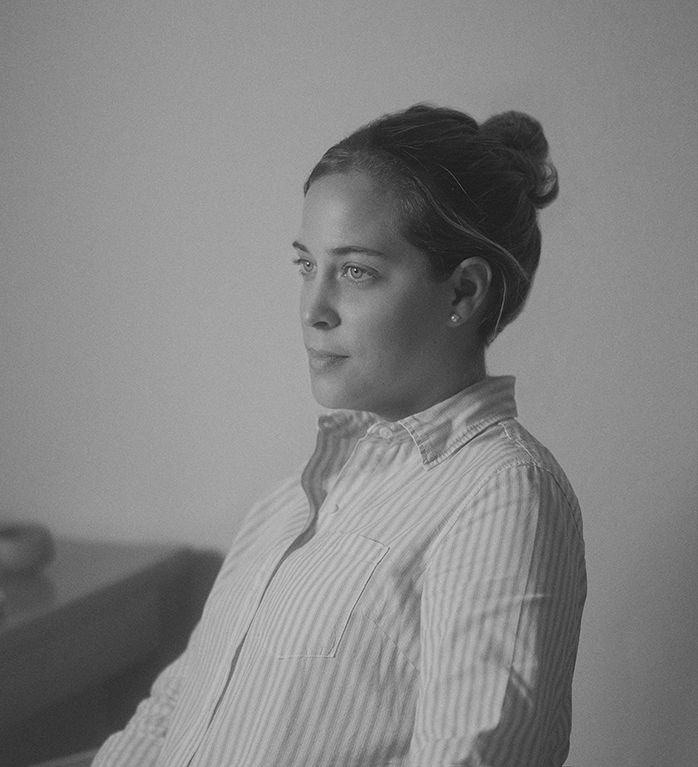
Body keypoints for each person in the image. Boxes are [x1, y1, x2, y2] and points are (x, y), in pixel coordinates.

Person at [91, 104, 587, 766]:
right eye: (306, 266)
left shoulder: (502, 495)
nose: (313, 309)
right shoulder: (287, 505)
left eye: (356, 271)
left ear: (463, 293)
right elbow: (171, 718)